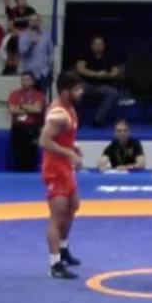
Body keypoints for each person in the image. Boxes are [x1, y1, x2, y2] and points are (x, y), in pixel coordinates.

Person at [40, 71, 86, 280]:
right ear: (66, 92)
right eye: (77, 89)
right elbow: (44, 141)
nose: (81, 92)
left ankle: (63, 248)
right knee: (57, 216)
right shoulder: (58, 113)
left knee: (73, 206)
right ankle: (54, 265)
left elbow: (61, 137)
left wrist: (72, 146)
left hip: (65, 168)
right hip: (54, 170)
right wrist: (69, 153)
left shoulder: (70, 107)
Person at [77, 36, 122, 128]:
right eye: (96, 44)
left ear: (104, 46)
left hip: (103, 86)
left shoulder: (110, 56)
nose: (98, 46)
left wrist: (106, 75)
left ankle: (98, 119)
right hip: (86, 84)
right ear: (92, 45)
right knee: (76, 91)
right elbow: (80, 69)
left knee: (113, 93)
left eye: (100, 44)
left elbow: (115, 72)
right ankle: (76, 119)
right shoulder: (85, 55)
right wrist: (95, 74)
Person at [8, 71, 46, 172]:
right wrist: (30, 108)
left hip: (33, 128)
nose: (24, 82)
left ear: (33, 82)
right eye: (23, 80)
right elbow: (12, 110)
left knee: (31, 157)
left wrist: (20, 106)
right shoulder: (14, 94)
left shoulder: (38, 95)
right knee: (18, 157)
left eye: (27, 80)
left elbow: (37, 109)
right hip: (18, 129)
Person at [18, 12, 53, 88]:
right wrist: (31, 44)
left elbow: (50, 53)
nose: (34, 22)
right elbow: (22, 53)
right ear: (29, 23)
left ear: (40, 22)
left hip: (43, 74)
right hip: (29, 75)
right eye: (32, 20)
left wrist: (49, 70)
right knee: (29, 95)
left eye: (36, 20)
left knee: (42, 95)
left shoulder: (47, 36)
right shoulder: (24, 36)